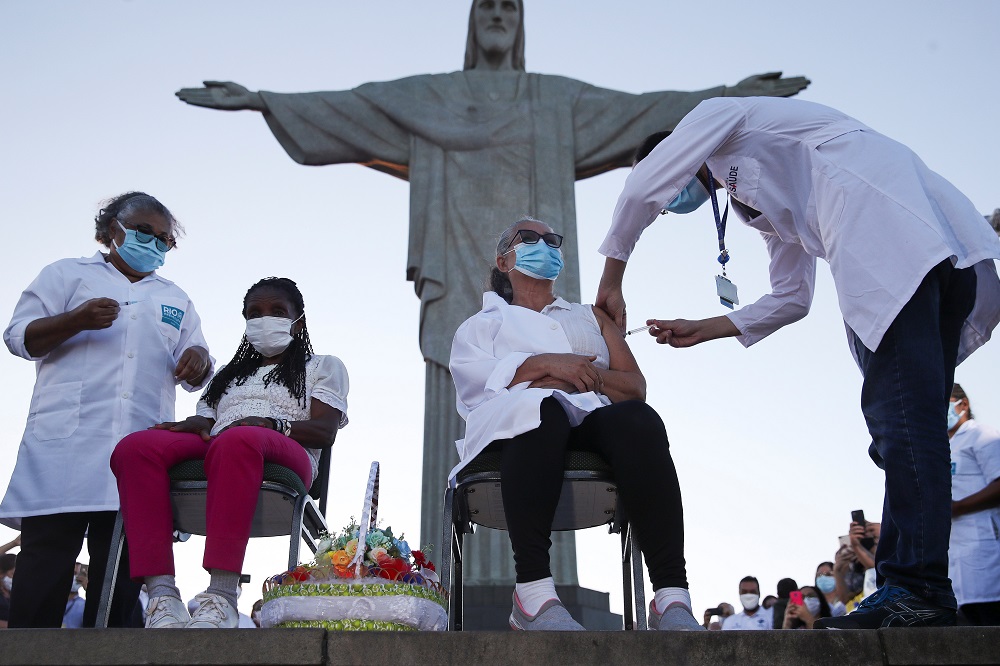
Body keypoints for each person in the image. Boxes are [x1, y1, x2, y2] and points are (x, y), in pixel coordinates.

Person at [175, 0, 810, 576]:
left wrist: (731, 98)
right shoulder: (434, 96)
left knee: (578, 418)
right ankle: (482, 583)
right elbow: (355, 106)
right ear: (473, 23)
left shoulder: (555, 99)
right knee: (491, 406)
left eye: (512, 5)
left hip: (560, 321)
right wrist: (262, 99)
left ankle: (597, 587)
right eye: (489, 6)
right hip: (458, 280)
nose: (500, 15)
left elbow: (642, 109)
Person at [595, 96, 1000, 629]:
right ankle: (907, 583)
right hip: (916, 238)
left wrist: (612, 279)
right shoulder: (757, 204)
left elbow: (642, 187)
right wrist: (707, 328)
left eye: (667, 179)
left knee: (901, 422)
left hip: (886, 231)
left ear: (674, 153)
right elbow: (792, 296)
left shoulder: (718, 118)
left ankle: (918, 588)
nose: (670, 201)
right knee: (907, 422)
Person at [449, 216, 702, 631]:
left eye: (552, 240)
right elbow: (474, 384)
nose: (544, 245)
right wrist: (547, 366)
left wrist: (584, 376)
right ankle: (533, 593)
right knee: (541, 408)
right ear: (503, 259)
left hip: (592, 415)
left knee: (640, 420)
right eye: (528, 238)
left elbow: (634, 386)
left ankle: (672, 597)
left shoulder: (590, 317)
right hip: (516, 430)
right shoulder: (482, 324)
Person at [1, 192, 212, 628]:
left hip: (139, 449)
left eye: (163, 239)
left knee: (121, 569)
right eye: (144, 232)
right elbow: (20, 337)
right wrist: (73, 320)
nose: (153, 243)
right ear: (110, 229)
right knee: (46, 561)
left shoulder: (175, 298)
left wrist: (199, 361)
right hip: (67, 445)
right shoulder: (67, 274)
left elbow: (200, 368)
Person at [111, 277, 349, 629]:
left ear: (299, 321)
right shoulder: (228, 375)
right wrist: (195, 422)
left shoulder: (323, 366)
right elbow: (209, 421)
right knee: (135, 448)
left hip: (289, 451)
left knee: (239, 440)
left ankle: (221, 597)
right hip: (222, 444)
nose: (265, 319)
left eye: (278, 311)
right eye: (255, 314)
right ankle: (162, 597)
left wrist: (271, 424)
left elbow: (324, 431)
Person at [947, 383, 1000, 626]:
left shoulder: (982, 436)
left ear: (963, 405)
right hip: (958, 562)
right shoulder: (944, 447)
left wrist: (957, 508)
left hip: (986, 550)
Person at [63, 563, 87, 629]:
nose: (75, 577)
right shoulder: (51, 602)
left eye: (78, 574)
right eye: (73, 573)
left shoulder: (83, 605)